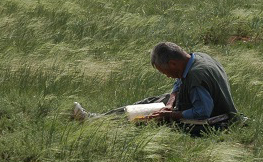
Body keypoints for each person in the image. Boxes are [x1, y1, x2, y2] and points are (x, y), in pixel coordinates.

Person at [73, 42, 241, 135]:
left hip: (209, 122)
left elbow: (202, 111)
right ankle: (96, 119)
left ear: (173, 63)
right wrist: (171, 101)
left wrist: (171, 115)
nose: (167, 76)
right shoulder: (198, 59)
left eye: (165, 71)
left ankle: (99, 124)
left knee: (145, 118)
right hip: (187, 104)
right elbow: (180, 82)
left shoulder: (196, 77)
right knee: (149, 103)